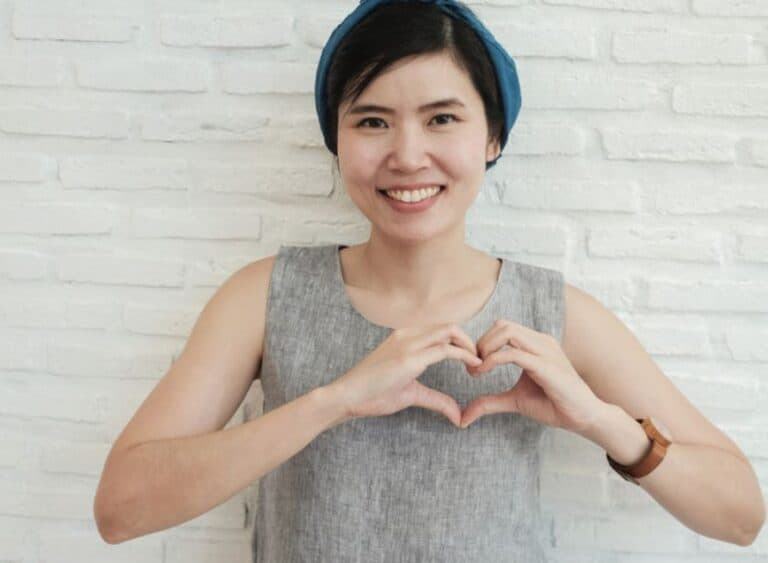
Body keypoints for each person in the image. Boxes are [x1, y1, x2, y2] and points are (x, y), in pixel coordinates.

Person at [93, 0, 766, 560]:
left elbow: (740, 515)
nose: (407, 155)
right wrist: (336, 398)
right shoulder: (263, 296)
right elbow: (121, 508)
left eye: (442, 118)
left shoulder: (553, 312)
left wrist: (601, 420)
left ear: (492, 137)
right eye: (372, 121)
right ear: (337, 138)